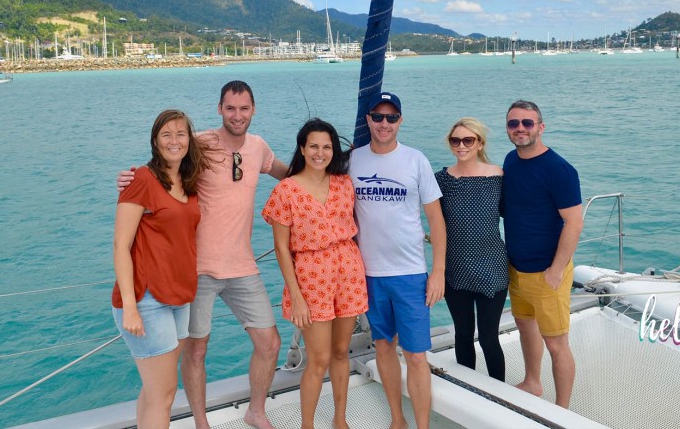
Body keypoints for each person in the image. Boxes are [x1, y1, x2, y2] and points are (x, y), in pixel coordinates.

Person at [117, 81, 288, 429]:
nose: (237, 115)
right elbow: (166, 159)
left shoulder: (259, 148)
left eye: (243, 108)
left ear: (254, 109)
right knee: (195, 351)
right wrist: (130, 176)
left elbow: (289, 176)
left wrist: (331, 178)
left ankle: (256, 411)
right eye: (230, 108)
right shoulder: (201, 144)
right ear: (220, 109)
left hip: (242, 266)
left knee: (269, 342)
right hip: (197, 270)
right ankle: (200, 421)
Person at [262, 118, 368, 429]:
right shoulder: (286, 190)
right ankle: (307, 424)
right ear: (302, 149)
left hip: (349, 273)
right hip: (311, 279)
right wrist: (296, 296)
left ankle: (339, 419)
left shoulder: (343, 183)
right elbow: (282, 249)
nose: (320, 153)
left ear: (333, 150)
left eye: (326, 146)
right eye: (313, 146)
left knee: (340, 352)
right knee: (317, 359)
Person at [349, 92, 446, 429]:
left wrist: (438, 272)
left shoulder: (415, 160)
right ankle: (396, 418)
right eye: (378, 117)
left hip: (410, 273)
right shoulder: (352, 161)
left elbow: (436, 220)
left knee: (417, 355)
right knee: (383, 346)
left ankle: (422, 425)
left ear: (400, 120)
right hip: (370, 273)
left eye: (391, 118)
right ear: (369, 121)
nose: (384, 124)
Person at [111, 109, 212, 428]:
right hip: (147, 299)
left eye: (181, 134)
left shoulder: (189, 182)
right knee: (164, 394)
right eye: (166, 134)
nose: (174, 140)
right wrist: (130, 306)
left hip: (179, 297)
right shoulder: (142, 179)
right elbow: (120, 246)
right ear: (155, 141)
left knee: (155, 391)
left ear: (189, 140)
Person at [500, 99, 583, 408]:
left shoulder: (559, 169)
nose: (520, 128)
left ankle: (563, 410)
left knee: (557, 344)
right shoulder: (510, 160)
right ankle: (533, 381)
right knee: (524, 325)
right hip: (517, 267)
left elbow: (574, 222)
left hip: (548, 272)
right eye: (513, 123)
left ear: (540, 127)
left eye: (527, 123)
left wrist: (557, 269)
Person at [434, 118, 508, 381]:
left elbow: (515, 213)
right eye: (456, 140)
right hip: (455, 268)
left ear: (479, 143)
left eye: (468, 140)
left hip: (493, 267)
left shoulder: (498, 176)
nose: (461, 145)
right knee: (463, 335)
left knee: (489, 338)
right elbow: (434, 221)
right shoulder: (441, 180)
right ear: (450, 144)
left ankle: (500, 395)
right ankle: (469, 388)